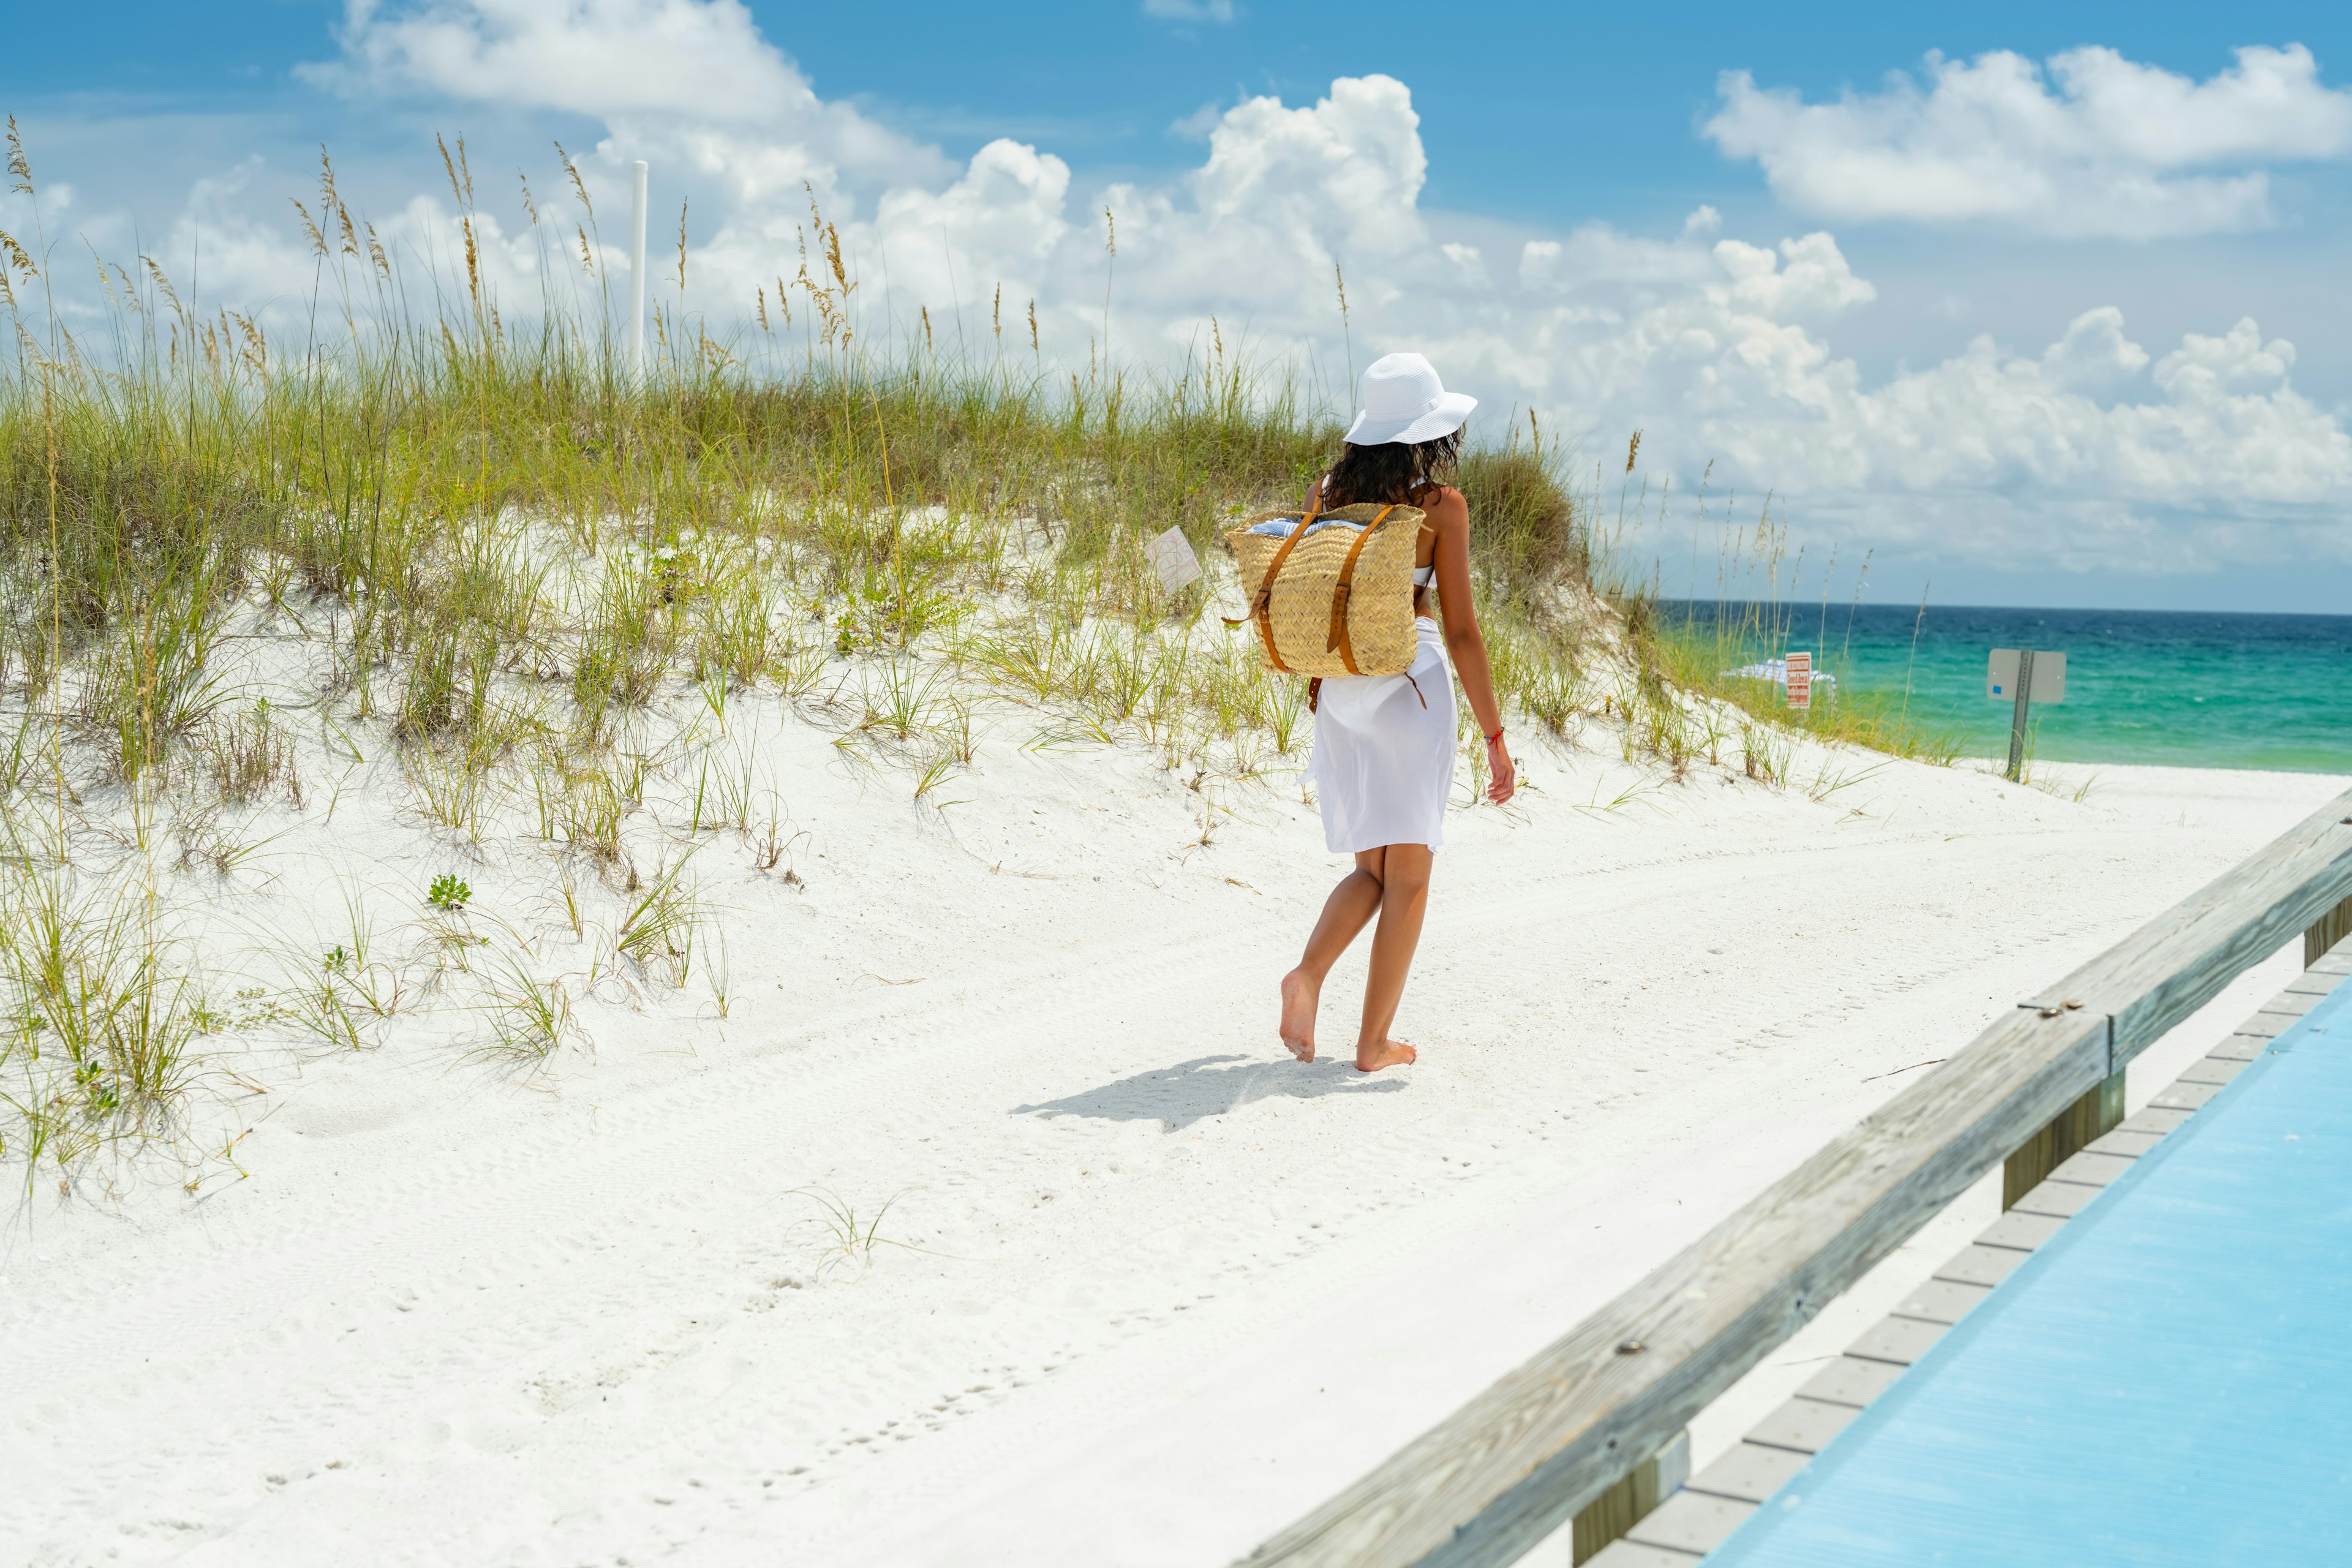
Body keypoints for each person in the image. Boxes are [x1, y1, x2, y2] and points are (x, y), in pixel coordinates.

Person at [1279, 353, 1515, 1073]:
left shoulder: (1326, 491)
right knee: (1409, 875)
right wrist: (1495, 738)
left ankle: (1309, 975)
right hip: (1407, 688)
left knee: (1373, 871)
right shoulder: (1438, 507)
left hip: (1342, 694)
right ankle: (1373, 1042)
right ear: (1428, 428)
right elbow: (1465, 631)